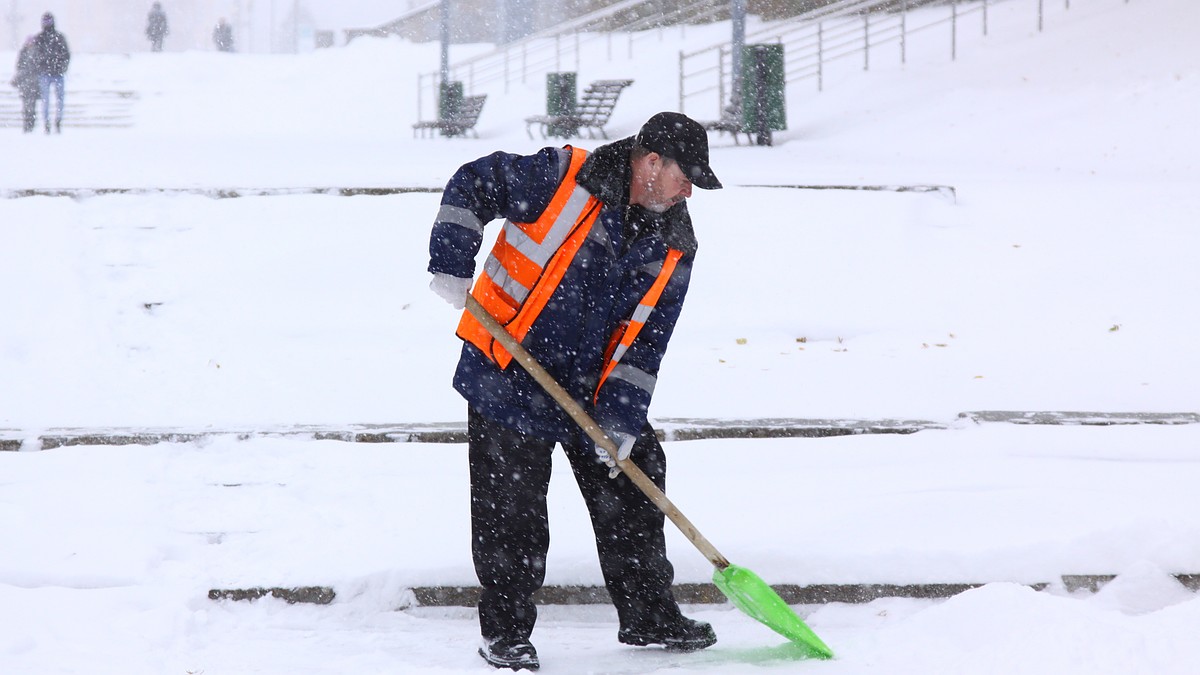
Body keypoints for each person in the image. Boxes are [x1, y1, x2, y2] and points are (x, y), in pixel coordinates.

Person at [426, 111, 722, 671]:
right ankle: (507, 633)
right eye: (687, 175)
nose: (689, 190)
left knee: (635, 482)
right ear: (651, 161)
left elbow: (644, 347)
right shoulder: (562, 177)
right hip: (509, 373)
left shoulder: (675, 240)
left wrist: (622, 423)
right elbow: (473, 180)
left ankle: (647, 615)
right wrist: (450, 257)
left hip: (591, 390)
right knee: (510, 511)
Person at [32, 12, 69, 135]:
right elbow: (35, 55)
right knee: (46, 100)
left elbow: (66, 54)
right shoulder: (40, 38)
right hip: (45, 73)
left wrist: (62, 67)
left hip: (57, 73)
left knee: (59, 99)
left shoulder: (59, 37)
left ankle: (57, 120)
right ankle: (47, 122)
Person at [10, 36, 40, 133]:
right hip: (26, 84)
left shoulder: (35, 53)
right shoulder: (24, 53)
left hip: (32, 84)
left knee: (31, 105)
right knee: (26, 106)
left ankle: (30, 123)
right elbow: (19, 66)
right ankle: (27, 123)